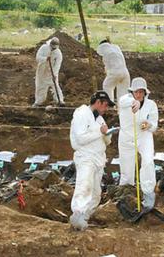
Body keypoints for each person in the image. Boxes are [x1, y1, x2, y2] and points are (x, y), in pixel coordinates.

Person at [69, 91, 115, 231]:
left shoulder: (100, 119)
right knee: (85, 185)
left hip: (98, 158)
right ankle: (78, 215)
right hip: (86, 157)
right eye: (105, 105)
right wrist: (99, 132)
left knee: (95, 192)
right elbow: (81, 138)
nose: (106, 109)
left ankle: (85, 217)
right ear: (98, 102)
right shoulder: (82, 114)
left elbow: (107, 141)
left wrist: (107, 134)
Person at [118, 77, 158, 211]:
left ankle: (148, 192)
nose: (139, 94)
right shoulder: (125, 100)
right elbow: (123, 102)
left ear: (145, 93)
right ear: (132, 92)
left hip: (144, 136)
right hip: (126, 138)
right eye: (136, 92)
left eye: (141, 92)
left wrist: (149, 125)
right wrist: (133, 102)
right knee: (127, 167)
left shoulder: (151, 104)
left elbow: (154, 124)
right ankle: (126, 192)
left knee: (147, 162)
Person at [97, 38, 130, 103]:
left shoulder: (106, 53)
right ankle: (122, 109)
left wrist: (107, 73)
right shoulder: (117, 49)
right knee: (123, 92)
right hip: (125, 73)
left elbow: (108, 67)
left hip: (115, 72)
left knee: (107, 86)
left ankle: (109, 105)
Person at [33, 37, 65, 107]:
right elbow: (37, 57)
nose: (53, 49)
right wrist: (45, 59)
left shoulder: (58, 53)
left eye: (54, 48)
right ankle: (39, 102)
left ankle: (60, 100)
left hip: (51, 72)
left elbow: (57, 65)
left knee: (55, 85)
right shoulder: (44, 48)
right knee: (40, 86)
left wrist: (54, 74)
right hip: (42, 70)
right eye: (52, 47)